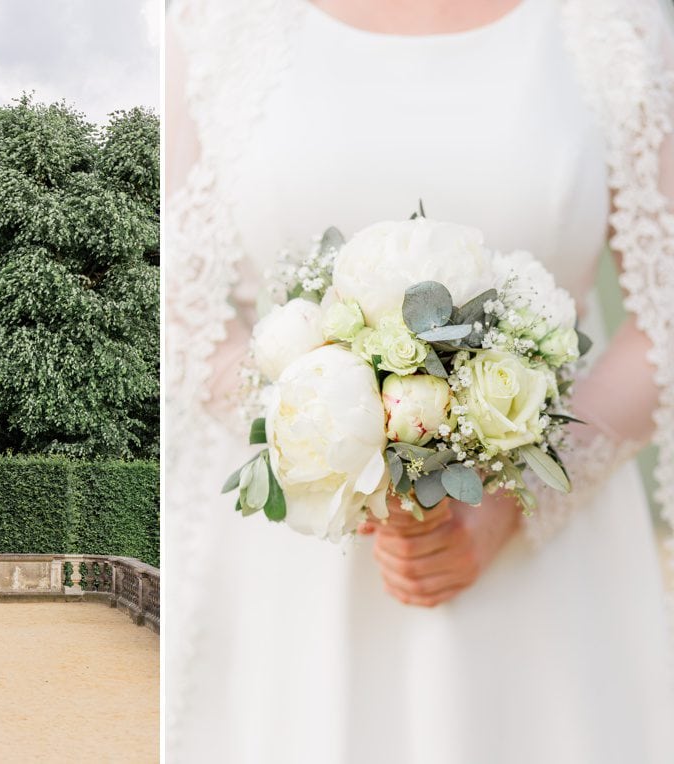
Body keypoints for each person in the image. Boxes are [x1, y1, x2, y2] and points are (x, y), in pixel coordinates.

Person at [166, 0, 674, 762]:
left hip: (551, 577)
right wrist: (343, 465)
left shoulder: (617, 24)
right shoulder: (214, 23)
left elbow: (660, 316)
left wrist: (515, 501)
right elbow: (181, 308)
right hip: (297, 575)